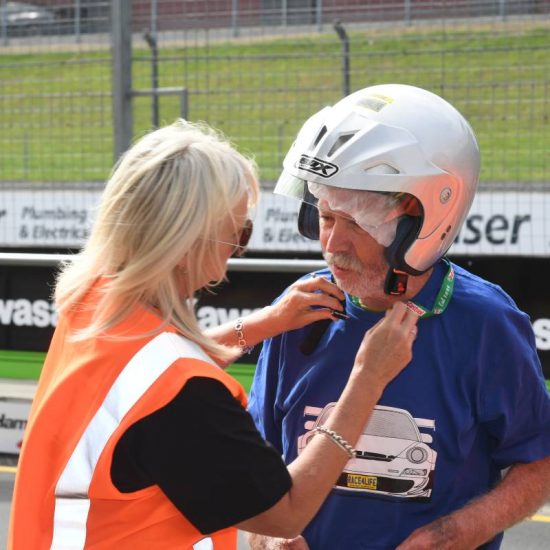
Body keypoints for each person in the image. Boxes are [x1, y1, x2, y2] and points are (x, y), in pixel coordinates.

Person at [8, 119, 419, 550]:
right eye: (237, 234)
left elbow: (146, 374)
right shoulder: (183, 394)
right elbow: (287, 511)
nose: (239, 252)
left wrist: (266, 323)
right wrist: (368, 377)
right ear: (186, 240)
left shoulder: (95, 301)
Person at [247, 84, 550, 550]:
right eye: (326, 217)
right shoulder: (301, 308)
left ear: (423, 221)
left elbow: (539, 461)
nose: (332, 245)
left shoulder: (486, 323)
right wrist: (266, 539)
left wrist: (453, 534)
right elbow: (256, 459)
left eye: (356, 222)